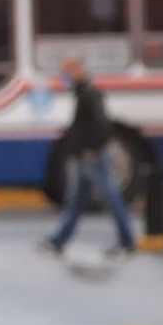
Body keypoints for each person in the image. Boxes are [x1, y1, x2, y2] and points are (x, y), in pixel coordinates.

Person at [40, 55, 135, 259]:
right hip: (84, 155)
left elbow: (101, 126)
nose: (63, 76)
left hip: (91, 156)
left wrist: (91, 149)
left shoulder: (89, 94)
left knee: (111, 198)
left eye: (66, 71)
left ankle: (127, 242)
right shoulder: (83, 92)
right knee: (76, 201)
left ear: (76, 69)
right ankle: (59, 241)